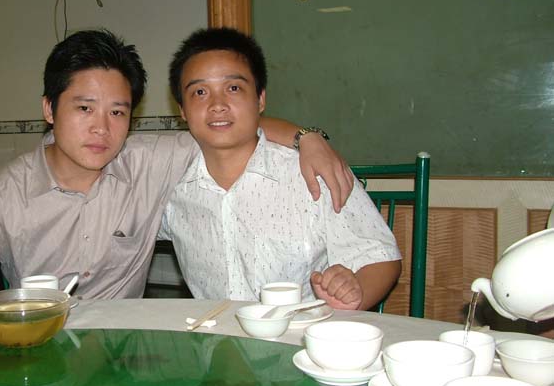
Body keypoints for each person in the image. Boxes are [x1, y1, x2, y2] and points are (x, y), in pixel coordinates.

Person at [0, 29, 353, 322]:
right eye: (84, 108)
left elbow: (228, 126)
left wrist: (307, 137)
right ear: (49, 109)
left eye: (117, 112)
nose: (101, 128)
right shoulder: (0, 194)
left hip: (125, 355)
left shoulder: (148, 161)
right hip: (42, 347)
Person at [160, 27, 401, 310]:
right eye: (200, 92)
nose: (217, 105)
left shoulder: (313, 173)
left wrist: (353, 292)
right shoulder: (168, 186)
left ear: (260, 99)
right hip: (212, 334)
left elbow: (380, 257)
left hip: (300, 334)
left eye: (233, 88)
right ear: (182, 110)